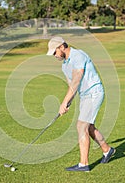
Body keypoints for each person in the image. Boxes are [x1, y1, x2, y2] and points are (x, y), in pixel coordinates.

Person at [46, 36, 115, 172]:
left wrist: (63, 102)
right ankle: (107, 150)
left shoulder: (78, 56)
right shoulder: (64, 65)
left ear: (61, 47)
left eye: (55, 52)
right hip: (85, 96)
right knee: (89, 127)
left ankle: (84, 165)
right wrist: (68, 103)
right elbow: (72, 86)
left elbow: (77, 80)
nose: (54, 55)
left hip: (94, 93)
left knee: (81, 126)